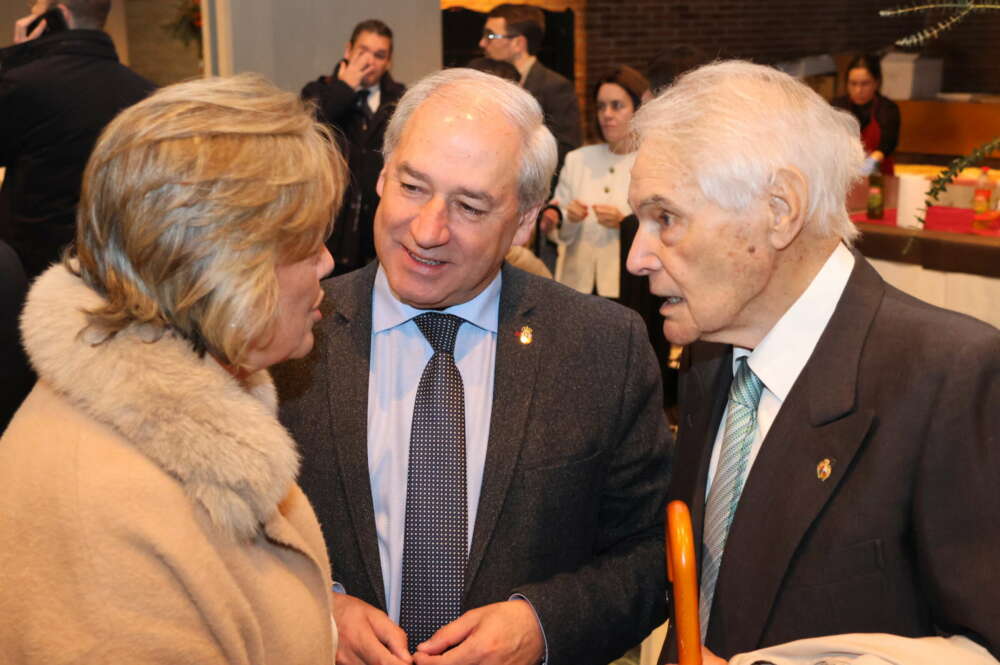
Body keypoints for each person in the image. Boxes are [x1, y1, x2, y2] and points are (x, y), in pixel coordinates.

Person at [273, 68, 670, 665]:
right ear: (381, 175)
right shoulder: (286, 338)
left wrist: (541, 626)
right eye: (412, 187)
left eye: (470, 206)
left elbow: (650, 553)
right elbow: (223, 536)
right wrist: (314, 606)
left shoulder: (601, 348)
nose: (429, 231)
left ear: (527, 219)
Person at [625, 61, 1000, 664]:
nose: (638, 257)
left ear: (780, 211)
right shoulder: (711, 360)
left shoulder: (953, 377)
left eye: (665, 218)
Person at [0, 73, 349, 663]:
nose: (329, 262)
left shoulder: (183, 414)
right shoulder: (106, 523)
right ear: (232, 269)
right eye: (309, 243)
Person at [0, 0, 154, 280]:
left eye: (35, 10)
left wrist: (17, 58)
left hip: (34, 271)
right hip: (114, 268)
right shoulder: (146, 93)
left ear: (60, 16)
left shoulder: (24, 85)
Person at [302, 19, 405, 276]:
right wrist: (345, 88)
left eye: (379, 55)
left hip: (376, 227)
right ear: (348, 51)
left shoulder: (400, 99)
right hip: (329, 224)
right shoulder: (318, 91)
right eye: (362, 52)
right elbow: (308, 132)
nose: (369, 61)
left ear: (389, 62)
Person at [546, 65, 648, 299]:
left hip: (626, 284)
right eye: (601, 106)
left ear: (638, 110)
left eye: (617, 106)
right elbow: (556, 228)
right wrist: (566, 218)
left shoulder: (650, 162)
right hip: (576, 285)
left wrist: (624, 223)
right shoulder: (578, 159)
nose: (607, 114)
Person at [479, 3, 581, 171]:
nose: (482, 43)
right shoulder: (488, 82)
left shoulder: (555, 86)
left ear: (518, 43)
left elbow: (566, 150)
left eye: (490, 36)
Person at [832, 53, 900, 176]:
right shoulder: (837, 107)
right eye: (853, 84)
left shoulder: (887, 109)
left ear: (876, 83)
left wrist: (873, 160)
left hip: (879, 176)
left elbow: (889, 144)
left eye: (865, 84)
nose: (858, 90)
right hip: (844, 175)